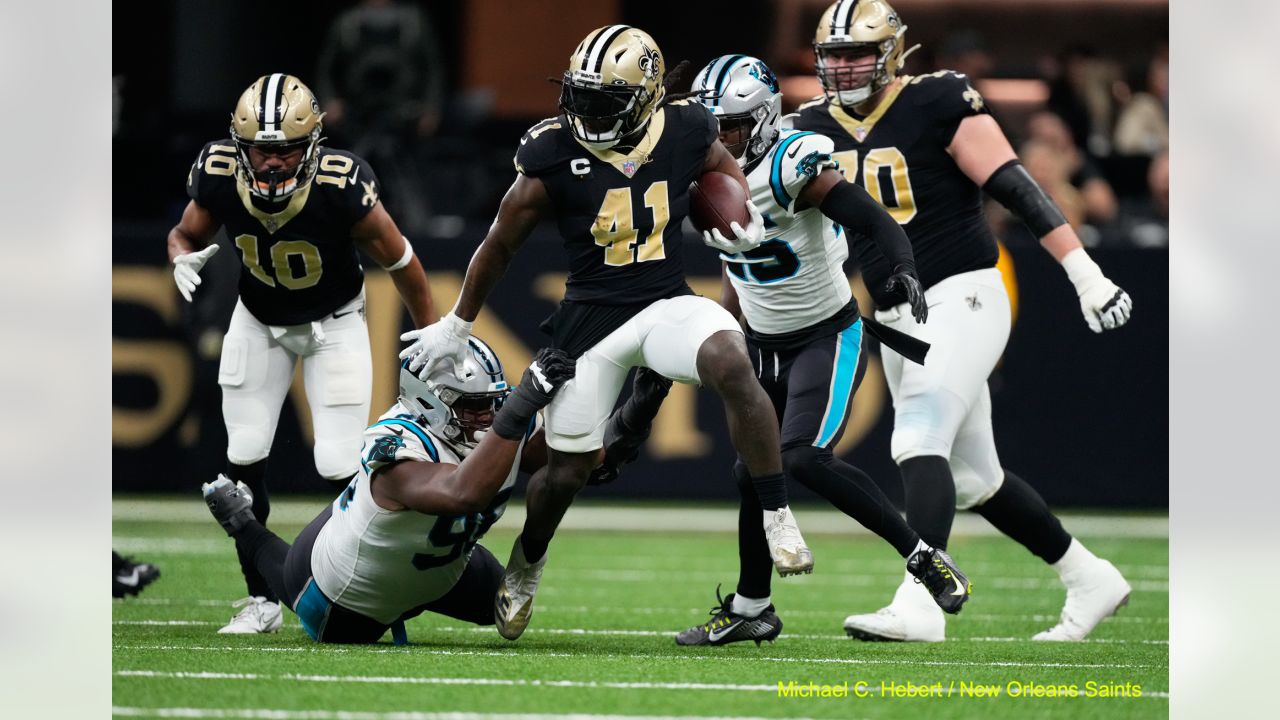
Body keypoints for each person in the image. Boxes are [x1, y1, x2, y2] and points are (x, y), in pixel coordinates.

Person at [400, 25, 814, 642]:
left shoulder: (686, 127)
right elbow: (499, 243)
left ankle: (778, 513)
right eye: (582, 96)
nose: (586, 113)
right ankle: (528, 563)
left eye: (604, 100)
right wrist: (458, 322)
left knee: (731, 358)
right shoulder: (548, 151)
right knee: (569, 471)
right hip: (590, 319)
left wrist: (744, 213)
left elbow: (723, 168)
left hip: (665, 300)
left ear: (646, 98)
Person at [792, 0, 1133, 642]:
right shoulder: (806, 126)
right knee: (976, 479)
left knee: (917, 436)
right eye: (833, 55)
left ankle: (921, 602)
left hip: (965, 290)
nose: (842, 67)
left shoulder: (938, 99)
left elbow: (1015, 185)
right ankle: (1090, 578)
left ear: (891, 53)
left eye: (856, 53)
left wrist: (1084, 273)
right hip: (897, 311)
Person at [660, 55, 971, 646]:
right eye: (710, 126)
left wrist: (903, 266)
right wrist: (721, 327)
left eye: (728, 126)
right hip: (761, 343)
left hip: (827, 335)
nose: (716, 138)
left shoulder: (790, 162)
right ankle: (753, 607)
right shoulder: (698, 176)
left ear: (763, 118)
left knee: (800, 456)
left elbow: (873, 219)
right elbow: (739, 267)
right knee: (750, 471)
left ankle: (924, 555)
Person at [168, 73, 437, 634]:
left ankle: (368, 590)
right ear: (240, 149)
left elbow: (403, 261)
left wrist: (435, 332)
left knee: (339, 464)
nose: (271, 164)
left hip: (333, 323)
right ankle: (261, 599)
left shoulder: (342, 183)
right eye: (261, 152)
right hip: (257, 320)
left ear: (312, 145)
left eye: (285, 151)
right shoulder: (217, 171)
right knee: (243, 451)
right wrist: (179, 255)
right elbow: (185, 232)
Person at [202, 341, 575, 644]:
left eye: (495, 402)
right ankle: (242, 524)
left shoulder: (497, 418)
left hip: (429, 562)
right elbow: (465, 493)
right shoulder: (395, 443)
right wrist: (522, 405)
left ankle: (403, 577)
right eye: (473, 406)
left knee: (490, 605)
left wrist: (630, 413)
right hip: (346, 596)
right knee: (314, 604)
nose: (490, 416)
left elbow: (581, 462)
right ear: (430, 401)